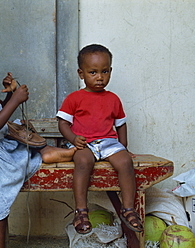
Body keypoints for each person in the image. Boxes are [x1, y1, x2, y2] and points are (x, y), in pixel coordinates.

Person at [0, 31, 76, 248]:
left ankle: (46, 151)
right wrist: (16, 101)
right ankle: (46, 152)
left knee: (1, 207)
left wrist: (10, 94)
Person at [56, 44, 143, 234]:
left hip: (108, 142)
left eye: (104, 71)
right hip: (83, 143)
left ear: (110, 71)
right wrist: (73, 138)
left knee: (125, 162)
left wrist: (123, 146)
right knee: (83, 161)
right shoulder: (74, 98)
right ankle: (81, 211)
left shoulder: (113, 99)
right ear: (81, 73)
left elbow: (121, 124)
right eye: (93, 72)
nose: (100, 77)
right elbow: (62, 123)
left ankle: (128, 209)